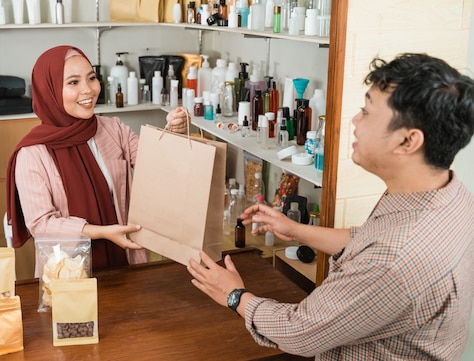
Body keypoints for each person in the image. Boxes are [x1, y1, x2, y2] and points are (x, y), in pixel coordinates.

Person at [187, 53, 474, 360]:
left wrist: (235, 296)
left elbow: (299, 333)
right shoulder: (451, 195)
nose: (355, 121)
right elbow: (366, 240)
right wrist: (297, 230)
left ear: (408, 142)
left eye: (366, 112)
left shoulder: (396, 257)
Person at [6, 45, 188, 271]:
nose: (88, 90)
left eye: (91, 78)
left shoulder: (114, 129)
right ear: (49, 91)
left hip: (126, 261)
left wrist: (172, 131)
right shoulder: (32, 153)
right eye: (73, 82)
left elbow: (156, 165)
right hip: (68, 273)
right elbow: (41, 224)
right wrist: (101, 232)